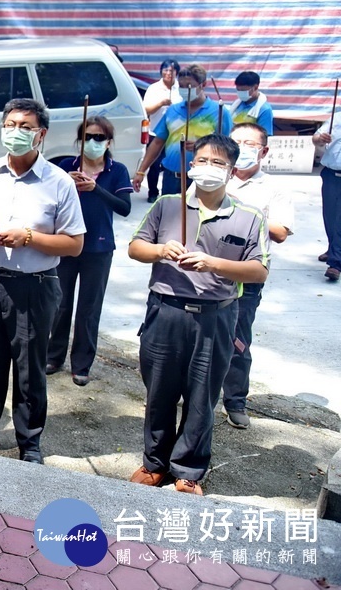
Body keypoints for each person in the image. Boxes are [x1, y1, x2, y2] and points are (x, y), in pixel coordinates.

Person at [127, 134, 269, 495]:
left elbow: (258, 271)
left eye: (218, 163)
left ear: (232, 170)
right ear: (190, 166)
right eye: (202, 160)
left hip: (216, 318)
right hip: (166, 311)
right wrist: (159, 250)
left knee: (203, 395)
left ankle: (188, 469)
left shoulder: (248, 217)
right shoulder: (167, 205)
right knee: (159, 391)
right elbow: (135, 247)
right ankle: (154, 463)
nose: (208, 168)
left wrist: (213, 264)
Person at [0, 99, 85, 464]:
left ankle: (30, 441)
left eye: (25, 126)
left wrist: (29, 237)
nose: (16, 132)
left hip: (34, 286)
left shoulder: (58, 182)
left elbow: (74, 243)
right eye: (10, 124)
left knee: (29, 369)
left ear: (41, 134)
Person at [46, 116, 132, 386]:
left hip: (99, 246)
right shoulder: (64, 166)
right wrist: (64, 185)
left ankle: (82, 363)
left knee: (89, 308)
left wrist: (96, 189)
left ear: (108, 142)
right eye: (88, 137)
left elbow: (125, 207)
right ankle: (54, 355)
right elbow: (47, 201)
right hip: (67, 243)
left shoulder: (116, 170)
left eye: (99, 138)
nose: (93, 143)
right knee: (60, 304)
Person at [222, 123, 294, 428]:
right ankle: (196, 393)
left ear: (263, 151)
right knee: (200, 336)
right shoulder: (216, 178)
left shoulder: (273, 189)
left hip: (247, 276)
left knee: (237, 339)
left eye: (249, 144)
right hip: (207, 270)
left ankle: (235, 400)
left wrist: (245, 214)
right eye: (236, 142)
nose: (242, 148)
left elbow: (280, 231)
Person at [132, 64, 232, 197]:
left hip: (203, 177)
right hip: (171, 177)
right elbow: (157, 142)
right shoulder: (172, 110)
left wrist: (201, 146)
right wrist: (141, 171)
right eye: (181, 86)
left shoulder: (219, 112)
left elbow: (228, 147)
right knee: (169, 215)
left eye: (189, 86)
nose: (185, 90)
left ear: (203, 85)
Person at [142, 60, 181, 202]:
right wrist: (161, 103)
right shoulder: (154, 88)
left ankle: (171, 192)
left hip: (175, 134)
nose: (168, 73)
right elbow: (146, 109)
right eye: (165, 70)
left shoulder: (180, 88)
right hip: (156, 133)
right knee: (153, 165)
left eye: (172, 71)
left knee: (172, 164)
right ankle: (153, 192)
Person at [314, 116, 341, 282]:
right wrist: (320, 139)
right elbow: (315, 139)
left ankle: (335, 263)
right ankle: (334, 248)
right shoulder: (336, 117)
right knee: (330, 216)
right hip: (331, 175)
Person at [231, 71, 275, 135]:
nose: (241, 93)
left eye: (243, 91)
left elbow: (264, 136)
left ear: (255, 87)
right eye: (238, 90)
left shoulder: (264, 110)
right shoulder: (236, 105)